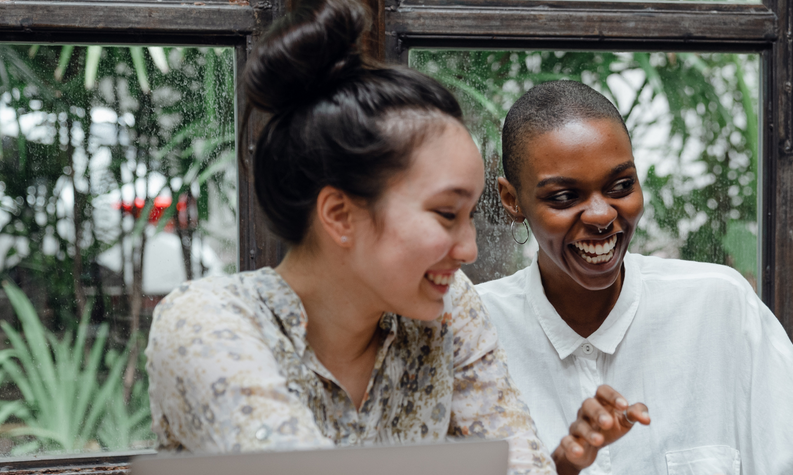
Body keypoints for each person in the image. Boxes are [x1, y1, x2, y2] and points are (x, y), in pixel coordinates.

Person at [143, 2, 645, 474]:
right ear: (339, 214)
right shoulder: (209, 325)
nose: (468, 249)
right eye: (446, 214)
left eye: (470, 215)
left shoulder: (449, 309)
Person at [476, 80, 793, 475]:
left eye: (620, 186)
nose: (601, 214)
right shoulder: (475, 332)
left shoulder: (717, 305)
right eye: (564, 196)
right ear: (512, 200)